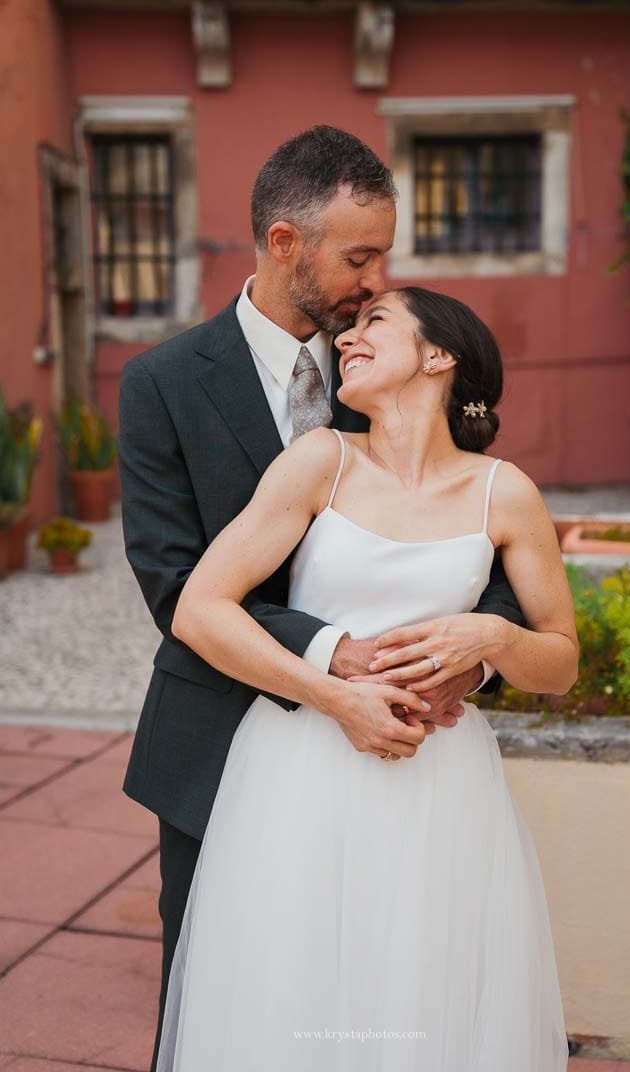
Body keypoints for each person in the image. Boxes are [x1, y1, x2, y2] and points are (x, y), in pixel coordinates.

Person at [118, 126, 526, 1070]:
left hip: (398, 755)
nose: (377, 281)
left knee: (380, 980)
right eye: (359, 256)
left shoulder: (385, 366)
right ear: (284, 244)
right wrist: (339, 655)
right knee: (223, 989)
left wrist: (470, 652)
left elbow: (487, 536)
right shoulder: (162, 385)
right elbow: (178, 585)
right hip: (217, 737)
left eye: (384, 254)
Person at [155, 285, 577, 1071]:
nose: (348, 336)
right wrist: (336, 698)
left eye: (374, 322)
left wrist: (490, 636)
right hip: (298, 768)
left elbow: (559, 658)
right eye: (350, 327)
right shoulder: (322, 460)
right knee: (292, 981)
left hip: (440, 786)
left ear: (438, 355)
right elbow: (201, 610)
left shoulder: (504, 492)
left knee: (421, 985)